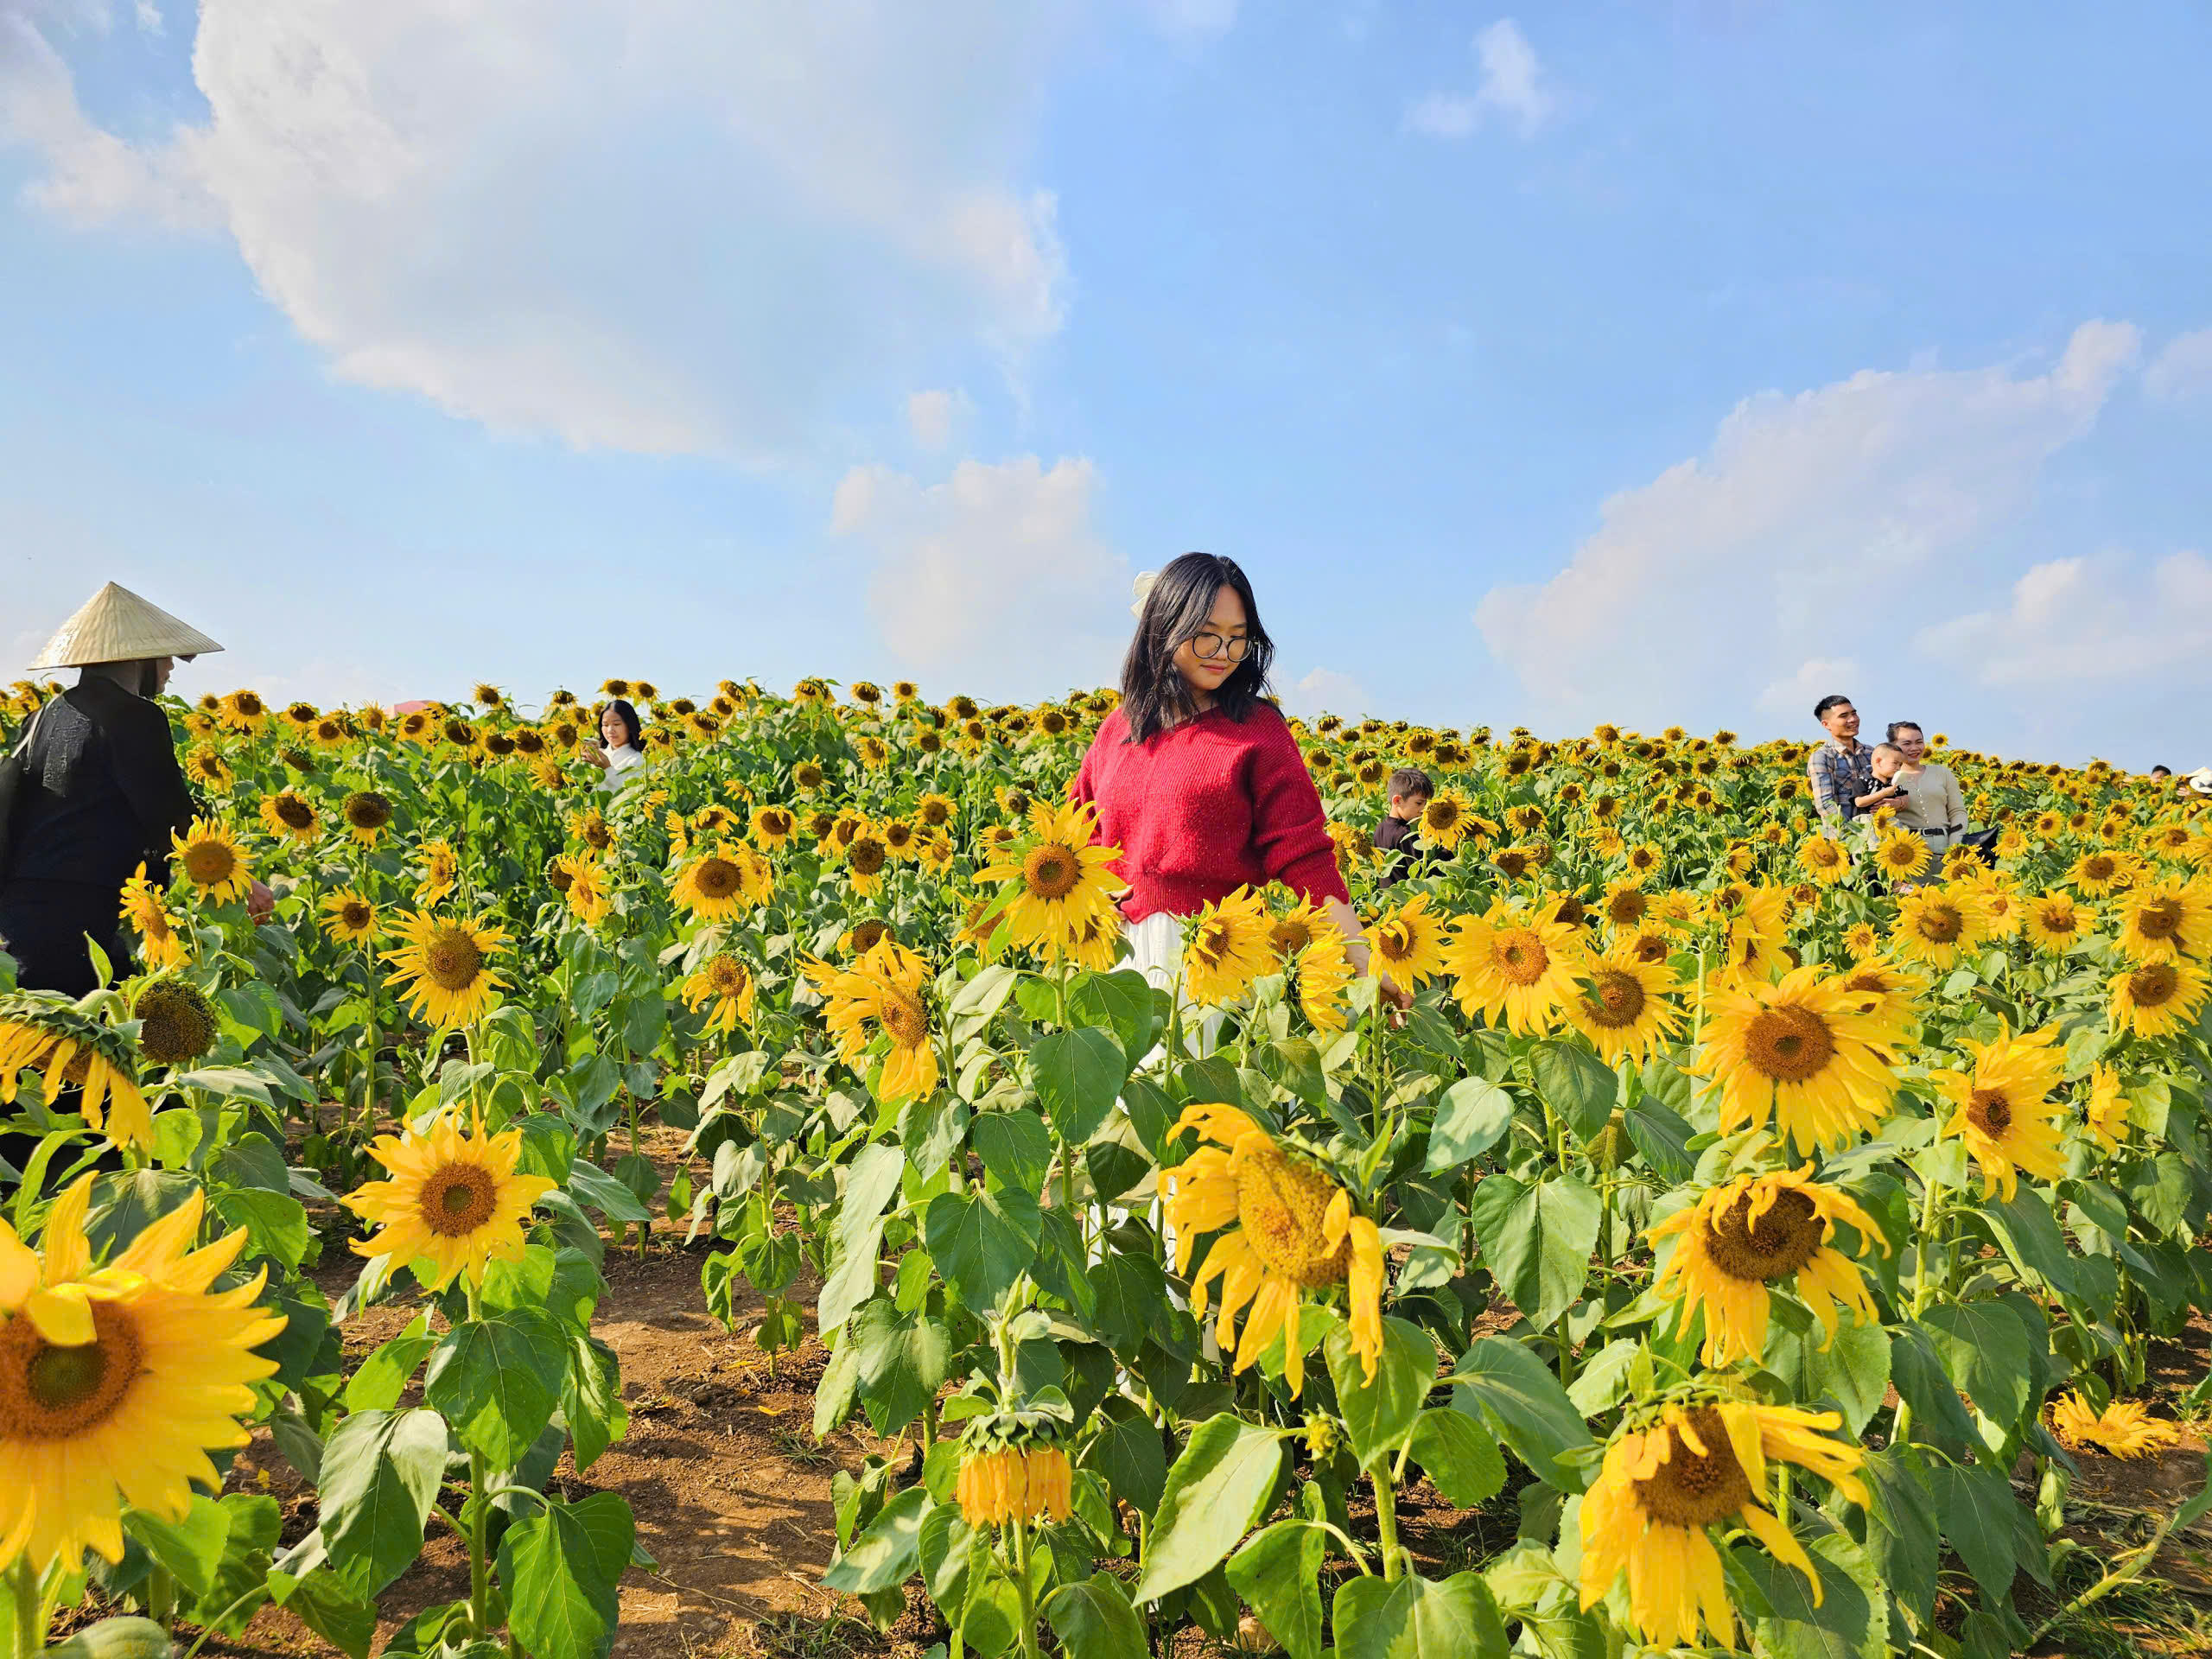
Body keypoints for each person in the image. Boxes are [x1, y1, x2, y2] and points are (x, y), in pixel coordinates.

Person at [1070, 553, 1409, 1018]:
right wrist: (1090, 896)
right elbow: (1082, 827)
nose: (1223, 654)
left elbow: (1304, 854)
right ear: (1164, 627)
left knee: (1210, 1082)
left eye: (1237, 639)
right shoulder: (1119, 729)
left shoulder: (1256, 730)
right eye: (1207, 635)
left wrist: (1360, 955)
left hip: (1220, 955)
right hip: (1117, 957)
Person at [1, 583, 272, 997]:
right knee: (98, 1041)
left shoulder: (42, 716)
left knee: (37, 1046)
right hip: (86, 916)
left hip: (21, 912)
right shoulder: (135, 716)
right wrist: (238, 878)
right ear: (137, 657)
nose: (170, 667)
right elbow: (167, 812)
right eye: (164, 655)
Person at [1882, 721, 1967, 882]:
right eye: (1907, 743)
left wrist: (1955, 845)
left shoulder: (1942, 773)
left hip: (1946, 845)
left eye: (1919, 742)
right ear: (1893, 746)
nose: (1915, 748)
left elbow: (1957, 812)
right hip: (1908, 852)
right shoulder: (1887, 780)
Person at [1807, 694, 1891, 824]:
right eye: (1843, 716)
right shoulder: (1822, 757)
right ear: (1826, 724)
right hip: (1844, 839)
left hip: (1877, 833)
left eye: (1854, 713)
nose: (1853, 719)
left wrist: (1897, 803)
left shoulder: (1871, 752)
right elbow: (1826, 806)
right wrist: (1854, 835)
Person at [1373, 767, 1433, 887]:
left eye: (1425, 803)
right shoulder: (1404, 835)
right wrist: (1447, 851)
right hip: (1407, 900)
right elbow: (1423, 877)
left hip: (1389, 899)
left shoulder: (1380, 828)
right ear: (1398, 800)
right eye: (1419, 803)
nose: (1423, 809)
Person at [580, 698, 646, 790]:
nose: (610, 730)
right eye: (605, 725)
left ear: (630, 725)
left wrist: (607, 769)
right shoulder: (600, 754)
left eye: (616, 724)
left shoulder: (639, 760)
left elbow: (630, 794)